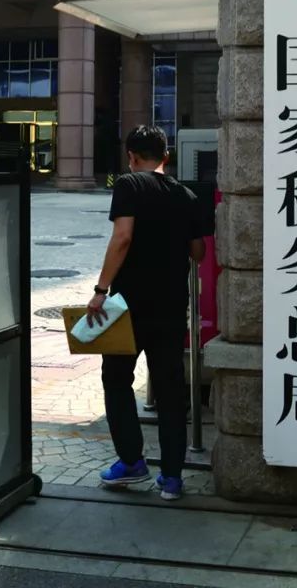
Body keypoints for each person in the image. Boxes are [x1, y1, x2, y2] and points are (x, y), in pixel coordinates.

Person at [87, 125, 206, 501]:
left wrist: (100, 290)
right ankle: (172, 478)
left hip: (130, 305)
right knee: (170, 389)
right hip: (171, 305)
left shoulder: (129, 185)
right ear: (166, 157)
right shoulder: (186, 194)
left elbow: (122, 237)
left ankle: (131, 462)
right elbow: (199, 252)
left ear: (132, 157)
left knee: (117, 378)